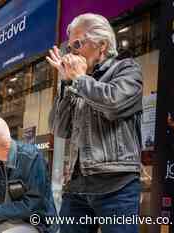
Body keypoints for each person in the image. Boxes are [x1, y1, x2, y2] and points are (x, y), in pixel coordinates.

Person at [47, 13, 142, 233]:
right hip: (77, 186)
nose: (72, 53)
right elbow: (59, 128)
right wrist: (65, 85)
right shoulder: (79, 83)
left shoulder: (127, 70)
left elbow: (114, 104)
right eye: (69, 47)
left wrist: (79, 79)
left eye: (77, 44)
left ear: (102, 44)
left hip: (116, 184)